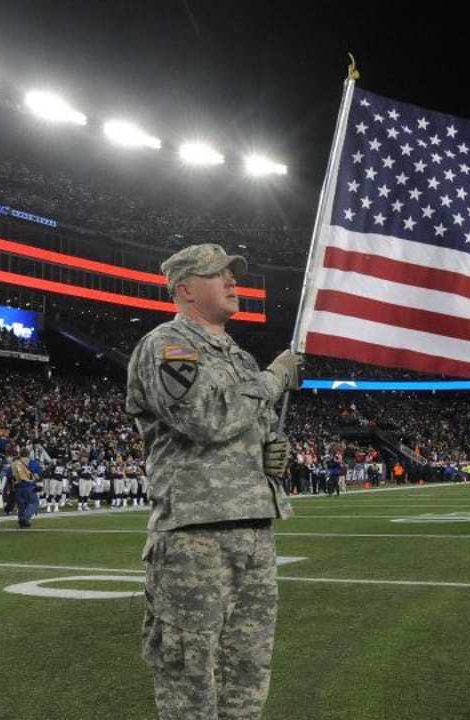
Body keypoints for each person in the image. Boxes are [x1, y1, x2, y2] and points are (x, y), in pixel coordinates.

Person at [125, 243, 299, 720]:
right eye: (216, 275)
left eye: (232, 274)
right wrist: (274, 379)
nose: (231, 282)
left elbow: (247, 426)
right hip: (195, 533)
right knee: (191, 674)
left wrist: (271, 455)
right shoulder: (168, 344)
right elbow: (206, 418)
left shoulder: (238, 356)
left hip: (253, 528)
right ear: (184, 289)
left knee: (248, 668)